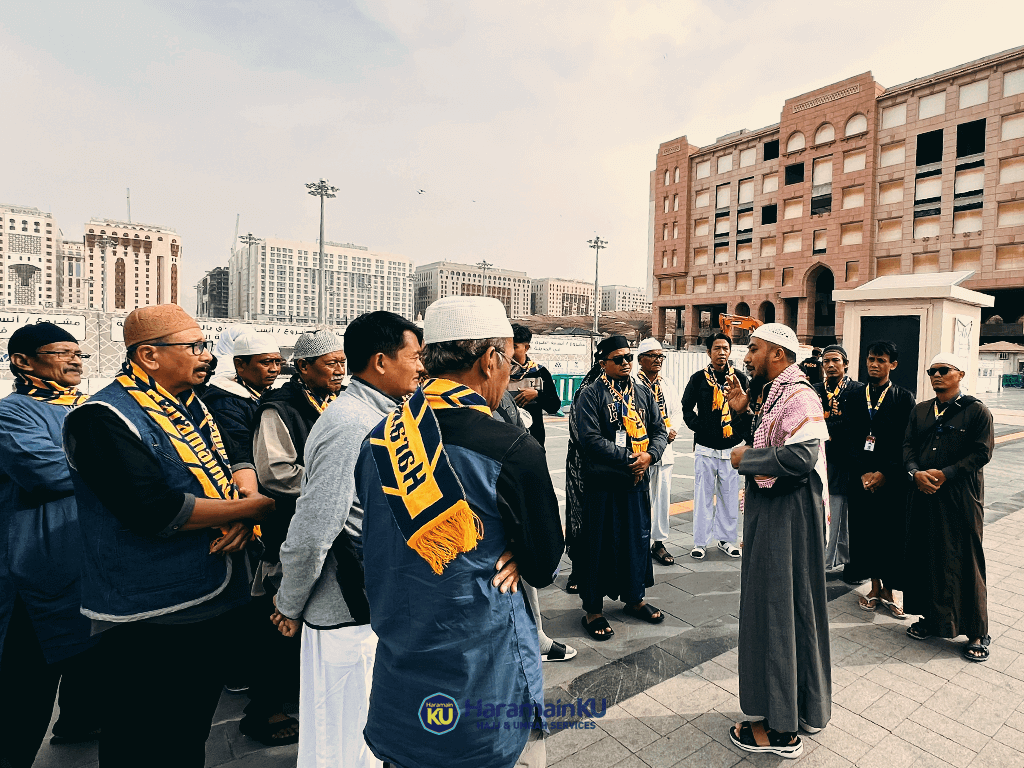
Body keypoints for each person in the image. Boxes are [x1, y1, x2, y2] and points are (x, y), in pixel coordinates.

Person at [62, 304, 274, 768]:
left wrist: (239, 507)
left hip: (211, 592)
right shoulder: (102, 418)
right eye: (194, 347)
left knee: (187, 726)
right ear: (149, 356)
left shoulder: (192, 405)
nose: (207, 356)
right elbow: (154, 509)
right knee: (142, 730)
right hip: (152, 608)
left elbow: (226, 462)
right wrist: (255, 508)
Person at [357, 296, 564, 768]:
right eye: (510, 361)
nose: (510, 374)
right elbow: (543, 562)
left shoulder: (379, 438)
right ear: (490, 360)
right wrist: (520, 551)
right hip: (481, 662)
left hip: (401, 654)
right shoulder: (511, 446)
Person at [272, 312, 425, 768]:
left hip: (378, 598)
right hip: (345, 607)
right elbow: (315, 527)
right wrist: (289, 602)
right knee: (343, 732)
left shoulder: (388, 414)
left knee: (370, 726)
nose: (421, 367)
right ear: (381, 361)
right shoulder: (350, 423)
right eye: (414, 357)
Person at [725, 323, 831, 758]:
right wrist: (739, 411)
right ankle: (797, 707)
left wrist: (745, 458)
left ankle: (781, 730)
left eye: (753, 349)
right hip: (779, 514)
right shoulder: (777, 392)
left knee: (776, 609)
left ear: (777, 354)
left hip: (786, 516)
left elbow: (802, 456)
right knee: (788, 608)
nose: (746, 357)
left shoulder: (799, 394)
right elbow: (778, 439)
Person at [0, 323, 99, 768]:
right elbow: (47, 472)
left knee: (90, 663)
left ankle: (77, 723)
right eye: (62, 352)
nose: (76, 360)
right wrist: (122, 467)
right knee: (27, 686)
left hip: (90, 561)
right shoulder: (12, 413)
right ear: (23, 362)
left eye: (79, 353)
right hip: (35, 567)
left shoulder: (89, 408)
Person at [246, 329, 347, 746]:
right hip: (292, 528)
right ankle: (263, 710)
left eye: (343, 362)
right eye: (331, 363)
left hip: (331, 526)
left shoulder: (336, 402)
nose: (340, 370)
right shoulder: (279, 409)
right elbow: (276, 472)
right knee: (280, 616)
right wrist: (336, 482)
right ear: (303, 368)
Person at [574, 335, 669, 640]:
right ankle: (593, 610)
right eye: (619, 359)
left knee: (635, 540)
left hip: (635, 482)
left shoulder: (643, 394)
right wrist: (631, 457)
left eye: (629, 357)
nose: (626, 363)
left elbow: (659, 430)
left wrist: (650, 456)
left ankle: (635, 598)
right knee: (598, 543)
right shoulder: (590, 395)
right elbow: (590, 440)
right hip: (603, 484)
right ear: (603, 363)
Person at [903, 353, 994, 662]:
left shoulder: (976, 411)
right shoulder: (921, 411)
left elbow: (982, 453)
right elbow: (908, 448)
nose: (937, 375)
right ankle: (932, 619)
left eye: (944, 370)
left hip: (960, 497)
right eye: (932, 371)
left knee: (965, 558)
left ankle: (977, 630)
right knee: (928, 554)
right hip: (924, 493)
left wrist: (946, 474)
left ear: (960, 374)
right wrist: (916, 473)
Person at [847, 341, 915, 617]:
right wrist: (863, 472)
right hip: (861, 477)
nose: (874, 364)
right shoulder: (853, 396)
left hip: (891, 480)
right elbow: (848, 438)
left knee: (891, 533)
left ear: (893, 365)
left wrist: (885, 473)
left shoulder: (903, 398)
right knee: (865, 533)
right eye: (871, 359)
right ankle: (874, 587)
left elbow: (906, 442)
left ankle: (890, 590)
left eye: (881, 360)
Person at [681, 333, 747, 561]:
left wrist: (738, 434)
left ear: (730, 352)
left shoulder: (739, 378)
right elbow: (687, 407)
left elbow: (747, 409)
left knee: (729, 496)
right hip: (706, 448)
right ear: (708, 352)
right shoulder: (698, 379)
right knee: (703, 496)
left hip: (731, 448)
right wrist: (700, 427)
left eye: (725, 348)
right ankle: (700, 542)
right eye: (717, 348)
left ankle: (727, 541)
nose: (722, 353)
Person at [813, 345, 865, 576]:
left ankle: (851, 565)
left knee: (850, 516)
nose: (831, 365)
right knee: (826, 513)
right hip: (823, 460)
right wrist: (833, 428)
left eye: (835, 360)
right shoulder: (815, 390)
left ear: (846, 364)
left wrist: (827, 429)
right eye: (826, 362)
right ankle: (823, 561)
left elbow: (855, 425)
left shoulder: (857, 390)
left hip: (850, 461)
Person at [202, 332, 284, 476]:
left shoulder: (268, 393)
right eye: (266, 363)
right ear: (240, 364)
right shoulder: (224, 402)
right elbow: (241, 453)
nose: (274, 369)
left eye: (278, 362)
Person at [634, 338, 683, 566]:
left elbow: (677, 412)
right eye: (653, 356)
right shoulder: (633, 383)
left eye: (661, 356)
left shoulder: (667, 384)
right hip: (641, 451)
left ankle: (658, 542)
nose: (658, 360)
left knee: (662, 499)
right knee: (639, 499)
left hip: (665, 451)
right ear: (640, 359)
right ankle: (637, 540)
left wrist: (670, 430)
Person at [506, 323, 562, 446]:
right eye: (507, 346)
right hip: (505, 438)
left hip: (533, 439)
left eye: (514, 347)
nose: (509, 352)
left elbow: (554, 406)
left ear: (526, 348)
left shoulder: (539, 372)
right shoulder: (497, 372)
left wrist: (537, 395)